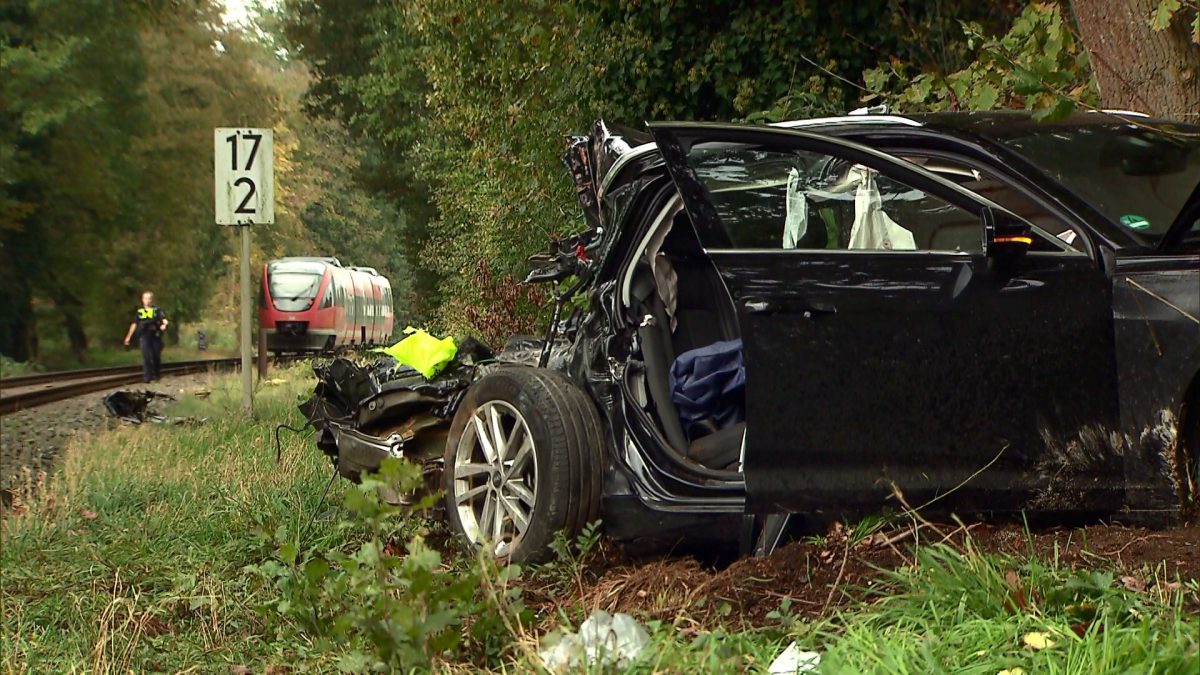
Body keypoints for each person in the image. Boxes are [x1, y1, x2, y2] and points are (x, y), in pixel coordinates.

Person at [124, 291, 169, 382]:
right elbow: (134, 324)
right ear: (142, 300)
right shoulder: (139, 311)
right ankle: (147, 377)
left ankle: (157, 375)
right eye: (145, 298)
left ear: (152, 300)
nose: (147, 300)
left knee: (156, 356)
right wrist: (128, 337)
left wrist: (164, 325)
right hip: (144, 335)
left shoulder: (157, 310)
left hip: (155, 335)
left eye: (149, 298)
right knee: (146, 356)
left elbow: (164, 320)